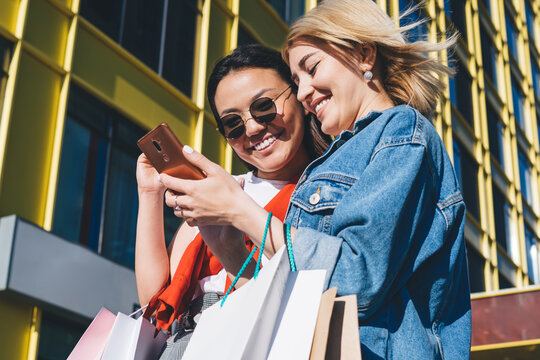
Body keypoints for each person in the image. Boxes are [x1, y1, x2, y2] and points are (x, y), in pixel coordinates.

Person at [159, 0, 471, 358]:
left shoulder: (402, 131)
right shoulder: (326, 165)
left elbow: (357, 280)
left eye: (312, 68)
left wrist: (241, 210)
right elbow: (296, 305)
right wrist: (227, 245)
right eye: (297, 80)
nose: (305, 92)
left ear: (365, 55)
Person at [135, 44, 331, 358]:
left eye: (264, 106)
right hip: (183, 342)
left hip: (257, 340)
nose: (252, 128)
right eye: (233, 124)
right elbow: (153, 298)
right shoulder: (220, 187)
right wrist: (149, 193)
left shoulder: (327, 190)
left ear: (299, 94)